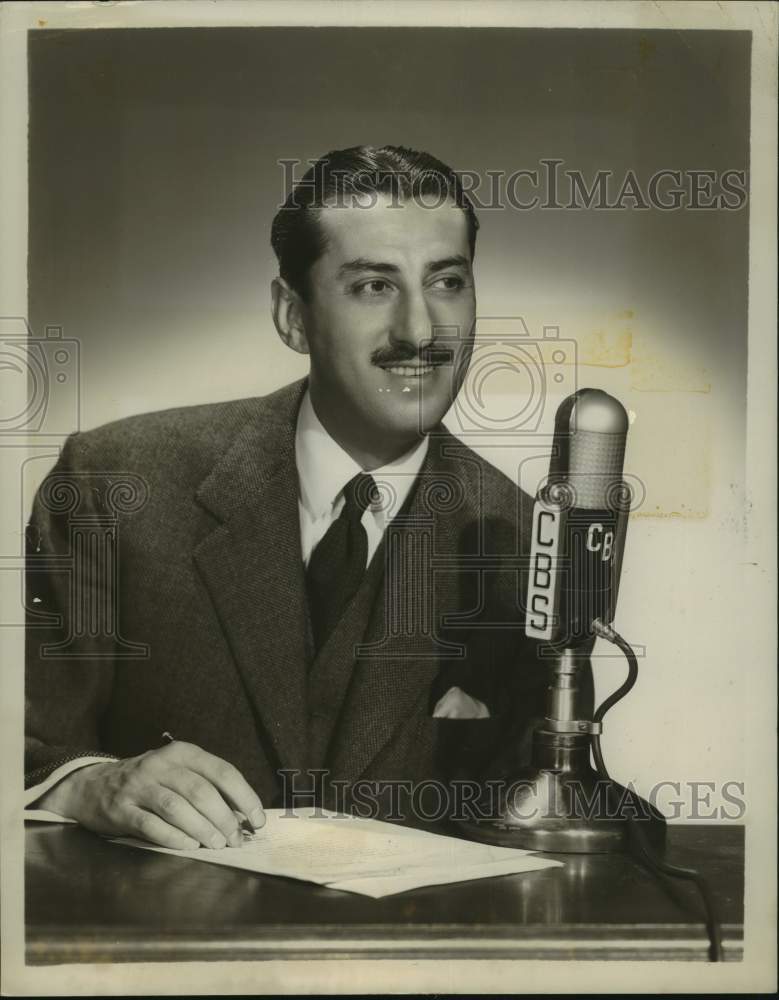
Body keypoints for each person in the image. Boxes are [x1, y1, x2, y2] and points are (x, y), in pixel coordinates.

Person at [24, 145, 564, 852]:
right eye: (373, 285)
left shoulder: (523, 539)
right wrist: (89, 783)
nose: (421, 331)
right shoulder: (113, 482)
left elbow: (544, 805)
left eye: (447, 282)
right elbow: (27, 743)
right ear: (292, 316)